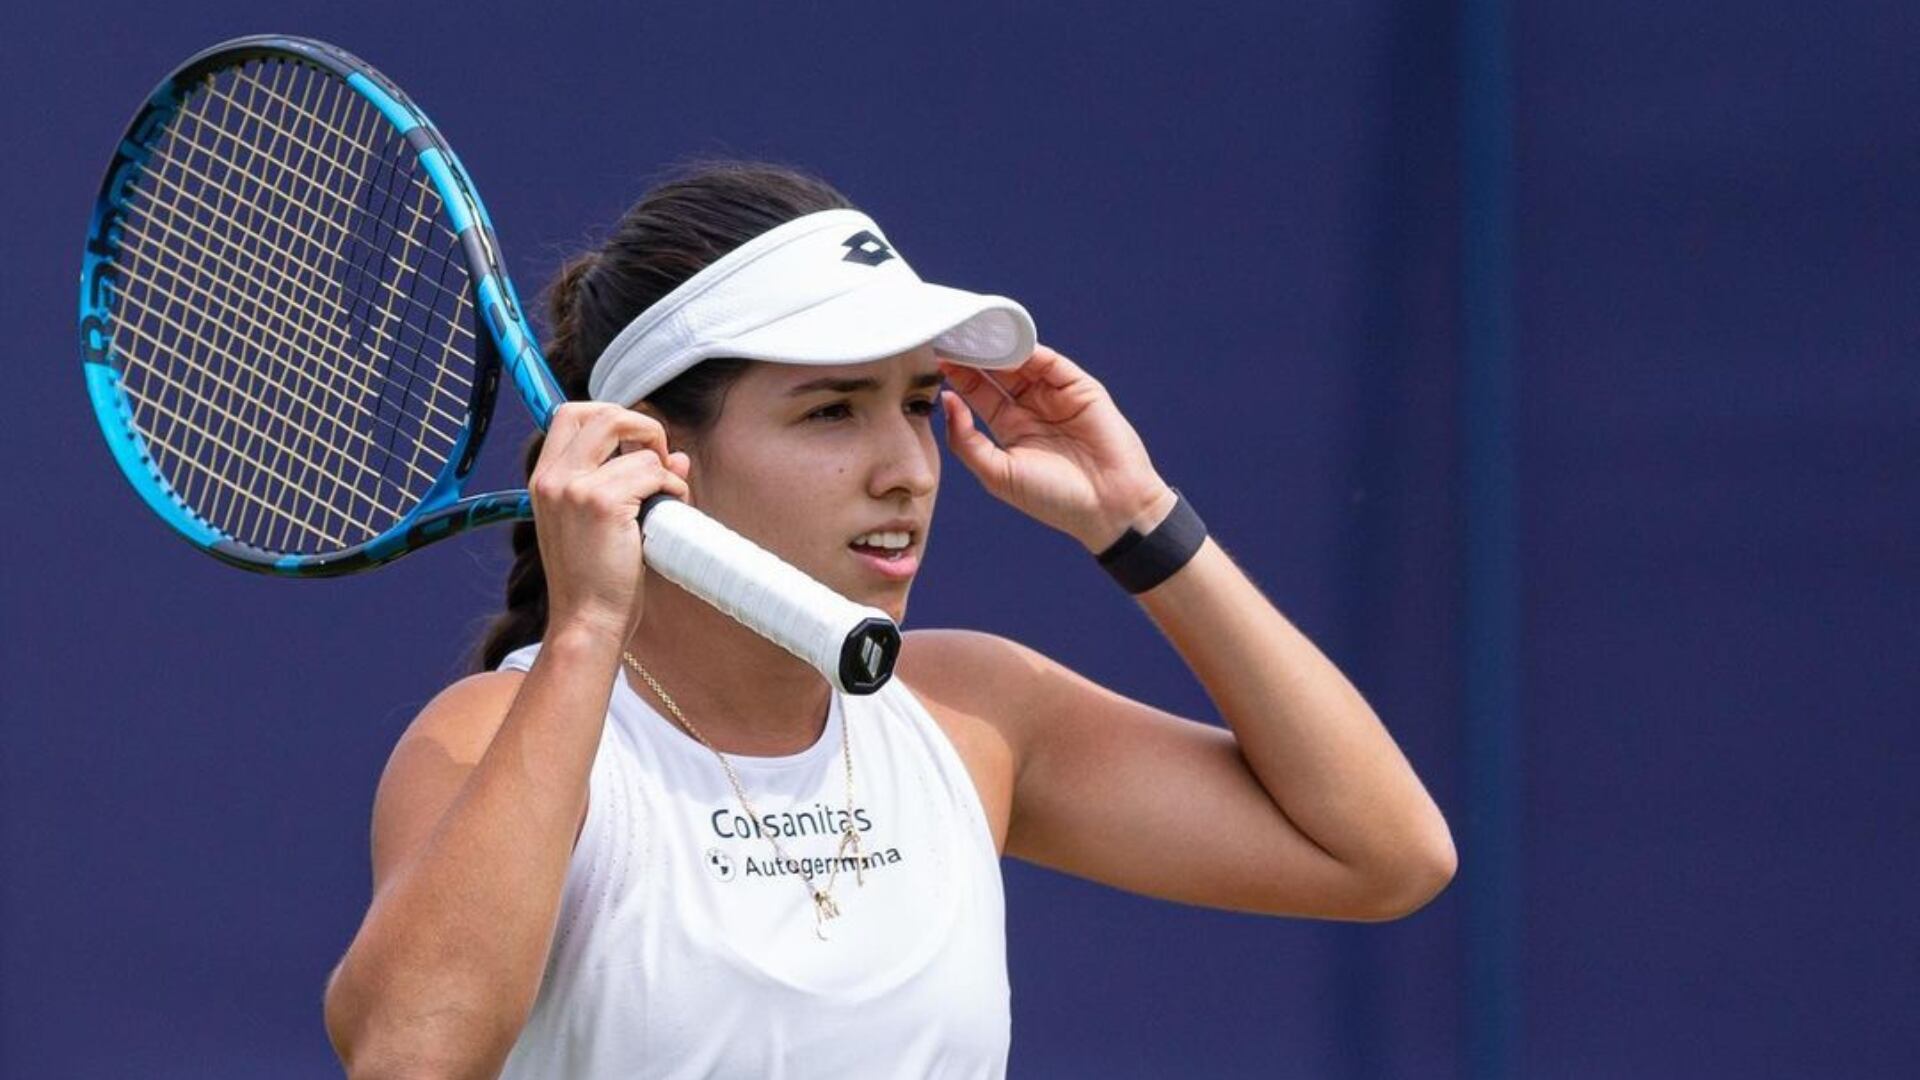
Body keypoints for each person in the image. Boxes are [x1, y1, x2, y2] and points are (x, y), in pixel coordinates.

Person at [321, 161, 1455, 1079]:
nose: (907, 468)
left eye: (919, 404)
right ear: (659, 455)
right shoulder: (488, 737)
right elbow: (411, 1058)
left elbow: (1384, 855)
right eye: (831, 412)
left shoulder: (972, 713)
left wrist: (1139, 521)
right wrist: (583, 635)